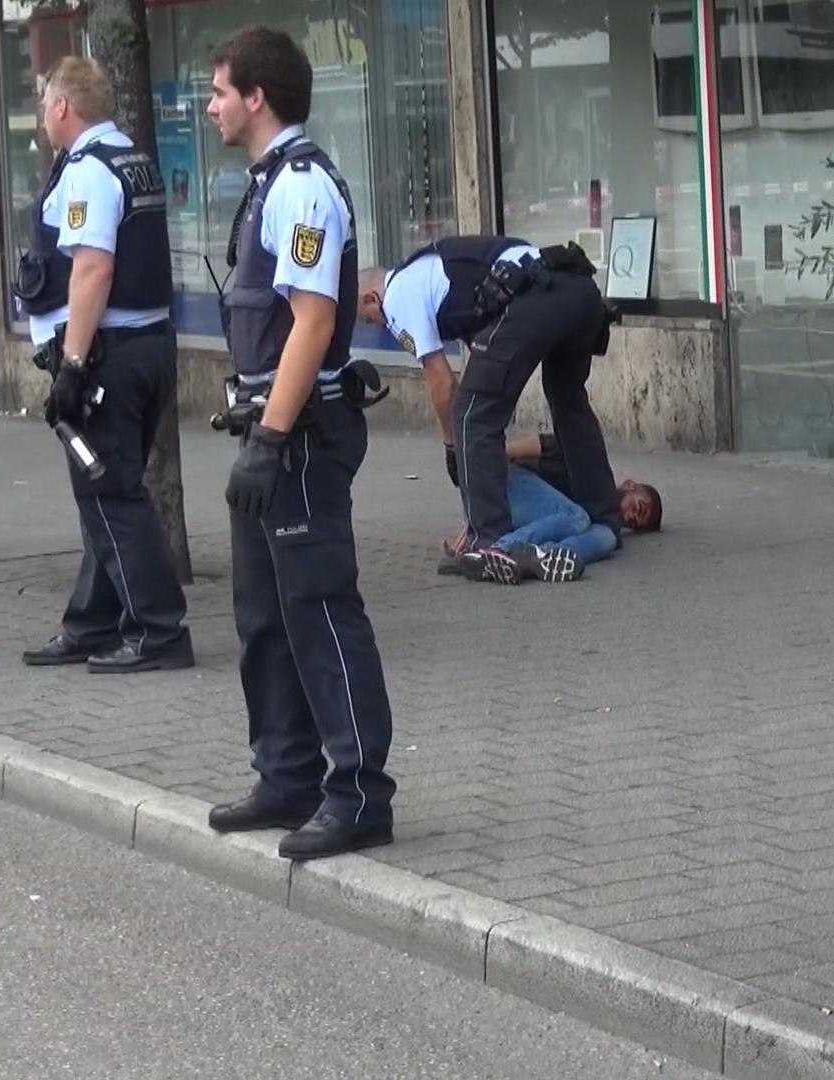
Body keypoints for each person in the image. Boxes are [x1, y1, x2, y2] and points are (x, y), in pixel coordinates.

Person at [202, 26, 396, 861]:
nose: (209, 106)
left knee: (318, 608)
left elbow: (316, 321)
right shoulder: (268, 184)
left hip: (301, 436)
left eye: (218, 91)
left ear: (257, 96)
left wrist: (274, 439)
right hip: (269, 433)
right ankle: (285, 776)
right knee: (265, 617)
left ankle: (357, 795)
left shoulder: (304, 188)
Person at [12, 56, 193, 675]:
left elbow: (93, 268)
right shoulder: (132, 160)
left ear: (63, 107)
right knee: (105, 490)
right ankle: (91, 624)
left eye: (44, 104)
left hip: (107, 362)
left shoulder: (90, 169)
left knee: (110, 493)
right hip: (146, 350)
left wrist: (70, 365)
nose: (42, 115)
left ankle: (159, 631)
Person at [356, 232, 621, 586]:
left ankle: (488, 542)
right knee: (568, 400)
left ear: (372, 299)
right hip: (579, 291)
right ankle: (603, 513)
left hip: (535, 299)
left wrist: (452, 447)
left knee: (470, 414)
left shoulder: (399, 295)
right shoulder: (440, 272)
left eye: (370, 318)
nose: (379, 324)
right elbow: (490, 358)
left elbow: (442, 383)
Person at [441, 432, 664, 584]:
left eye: (634, 523)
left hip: (524, 523)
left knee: (607, 538)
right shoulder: (591, 465)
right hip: (508, 485)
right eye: (639, 508)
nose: (631, 516)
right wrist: (479, 511)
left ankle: (535, 559)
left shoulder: (608, 521)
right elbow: (509, 452)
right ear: (629, 485)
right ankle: (499, 549)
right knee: (577, 517)